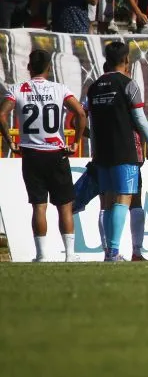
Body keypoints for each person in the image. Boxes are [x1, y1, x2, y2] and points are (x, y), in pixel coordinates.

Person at [0, 49, 86, 262]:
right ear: (49, 67)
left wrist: (10, 141)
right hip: (56, 153)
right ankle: (70, 254)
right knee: (64, 205)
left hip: (31, 154)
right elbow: (81, 113)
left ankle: (41, 255)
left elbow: (2, 114)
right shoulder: (59, 89)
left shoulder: (18, 89)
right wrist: (76, 142)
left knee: (39, 206)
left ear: (29, 67)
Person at [86, 41, 148, 262]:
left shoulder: (94, 86)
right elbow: (139, 117)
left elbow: (82, 118)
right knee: (124, 198)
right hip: (125, 150)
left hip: (101, 152)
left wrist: (96, 142)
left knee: (107, 201)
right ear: (127, 60)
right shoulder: (128, 84)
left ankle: (109, 252)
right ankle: (114, 252)